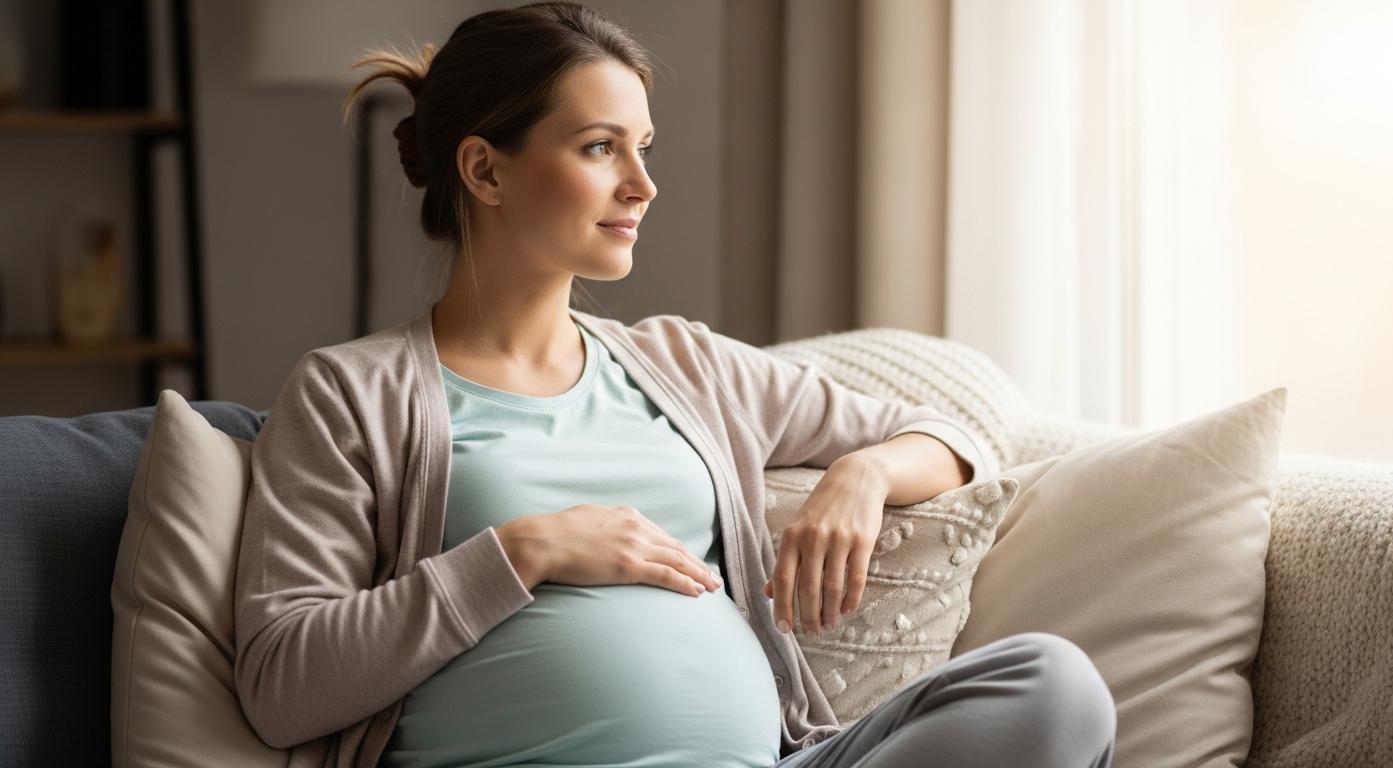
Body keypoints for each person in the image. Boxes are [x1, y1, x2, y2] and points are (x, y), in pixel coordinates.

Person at [231, 3, 1117, 767]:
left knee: (1053, 685)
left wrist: (866, 474)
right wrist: (523, 553)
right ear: (485, 169)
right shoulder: (351, 393)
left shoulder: (686, 365)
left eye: (643, 147)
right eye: (599, 148)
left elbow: (956, 438)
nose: (643, 185)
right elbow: (282, 682)